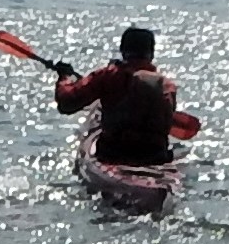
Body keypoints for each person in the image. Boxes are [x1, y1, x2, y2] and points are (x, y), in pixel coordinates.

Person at [51, 25, 202, 169]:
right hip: (155, 158)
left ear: (123, 50)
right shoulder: (166, 86)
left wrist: (64, 78)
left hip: (113, 156)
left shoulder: (108, 76)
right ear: (151, 53)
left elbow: (67, 103)